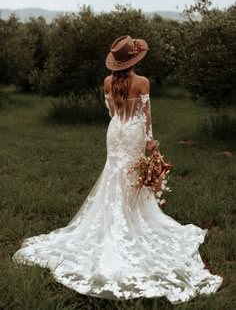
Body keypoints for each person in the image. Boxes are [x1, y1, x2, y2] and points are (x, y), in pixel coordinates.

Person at [12, 35, 223, 304]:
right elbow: (146, 117)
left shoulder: (107, 82)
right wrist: (151, 143)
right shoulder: (143, 82)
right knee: (130, 174)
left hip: (116, 132)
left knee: (114, 173)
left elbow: (112, 112)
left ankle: (113, 215)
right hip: (133, 132)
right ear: (134, 59)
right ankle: (131, 218)